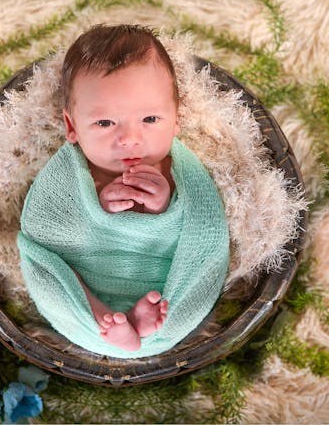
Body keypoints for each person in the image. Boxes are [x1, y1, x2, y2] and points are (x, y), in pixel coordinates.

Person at [17, 24, 230, 357]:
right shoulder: (71, 175)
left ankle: (133, 323)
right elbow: (48, 233)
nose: (130, 138)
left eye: (149, 119)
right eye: (104, 123)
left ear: (176, 120)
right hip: (86, 278)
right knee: (48, 275)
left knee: (179, 278)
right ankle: (100, 316)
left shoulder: (175, 171)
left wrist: (163, 206)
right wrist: (97, 208)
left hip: (161, 279)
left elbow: (197, 228)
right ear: (72, 127)